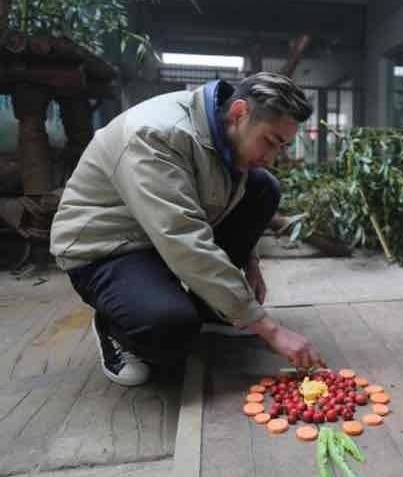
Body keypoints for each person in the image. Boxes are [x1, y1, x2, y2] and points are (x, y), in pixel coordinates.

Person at [50, 72, 325, 387]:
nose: (272, 157)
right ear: (239, 113)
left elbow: (220, 206)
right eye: (270, 142)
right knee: (170, 329)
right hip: (108, 247)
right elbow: (183, 239)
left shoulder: (225, 131)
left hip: (161, 235)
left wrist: (250, 261)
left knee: (264, 187)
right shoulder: (156, 135)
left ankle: (211, 305)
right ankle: (115, 325)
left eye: (283, 146)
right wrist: (270, 328)